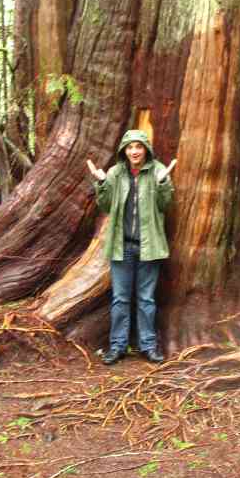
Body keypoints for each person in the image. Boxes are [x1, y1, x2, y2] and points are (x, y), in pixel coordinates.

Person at [86, 130, 176, 364]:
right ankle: (117, 346)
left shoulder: (157, 170)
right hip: (122, 246)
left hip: (149, 247)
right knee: (120, 299)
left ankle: (148, 346)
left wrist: (163, 183)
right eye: (130, 147)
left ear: (146, 149)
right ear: (124, 150)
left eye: (139, 146)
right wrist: (102, 183)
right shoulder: (116, 173)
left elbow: (165, 205)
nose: (134, 151)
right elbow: (105, 205)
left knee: (146, 299)